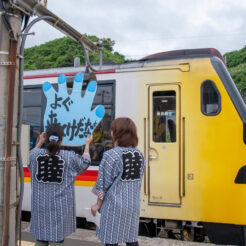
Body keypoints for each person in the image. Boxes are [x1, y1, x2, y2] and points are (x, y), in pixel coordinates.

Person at [28, 123, 93, 246]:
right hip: (60, 208)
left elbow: (30, 156)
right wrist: (87, 144)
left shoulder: (35, 155)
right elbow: (85, 162)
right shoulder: (69, 156)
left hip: (39, 206)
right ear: (62, 139)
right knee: (57, 240)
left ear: (46, 137)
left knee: (41, 239)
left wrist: (40, 142)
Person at [91, 117, 146, 246]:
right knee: (131, 239)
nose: (110, 133)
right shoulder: (139, 154)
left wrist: (98, 204)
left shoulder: (111, 155)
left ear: (118, 133)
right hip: (132, 206)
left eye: (112, 130)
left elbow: (103, 183)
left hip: (113, 206)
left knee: (111, 240)